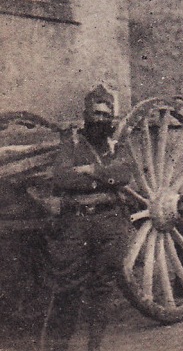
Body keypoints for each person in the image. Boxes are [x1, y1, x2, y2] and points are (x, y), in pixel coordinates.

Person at [41, 86, 132, 351]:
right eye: (96, 115)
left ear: (111, 118)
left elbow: (126, 173)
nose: (100, 121)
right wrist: (104, 176)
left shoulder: (116, 144)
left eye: (106, 116)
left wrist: (92, 170)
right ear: (85, 115)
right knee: (68, 289)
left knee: (102, 289)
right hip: (77, 225)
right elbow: (63, 176)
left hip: (109, 223)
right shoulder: (73, 143)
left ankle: (94, 347)